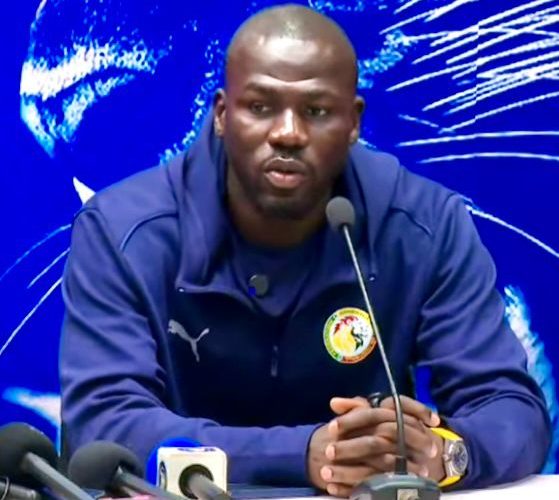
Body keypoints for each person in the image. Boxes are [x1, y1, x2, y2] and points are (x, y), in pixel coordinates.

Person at [59, 4, 551, 496]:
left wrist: (443, 453)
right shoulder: (122, 231)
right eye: (260, 107)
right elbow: (102, 422)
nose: (288, 134)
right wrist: (306, 455)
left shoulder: (423, 223)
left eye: (316, 111)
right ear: (222, 115)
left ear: (354, 121)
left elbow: (512, 409)